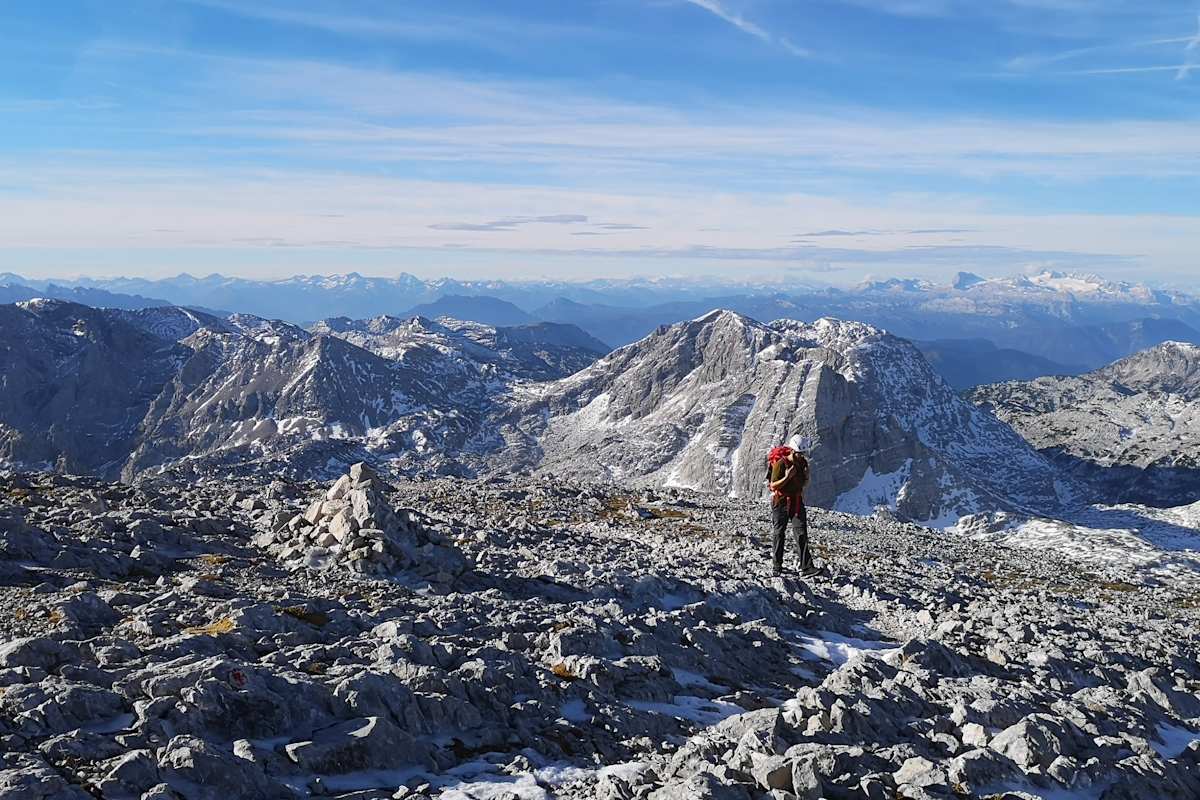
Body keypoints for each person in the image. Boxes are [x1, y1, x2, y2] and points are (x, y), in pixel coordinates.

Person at [766, 434, 819, 578]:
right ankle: (777, 566)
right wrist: (787, 477)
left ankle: (806, 567)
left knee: (801, 532)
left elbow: (802, 485)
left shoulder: (802, 463)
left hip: (796, 502)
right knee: (779, 533)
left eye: (802, 454)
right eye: (799, 454)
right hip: (781, 503)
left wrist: (807, 477)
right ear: (792, 451)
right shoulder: (781, 464)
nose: (801, 456)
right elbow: (773, 485)